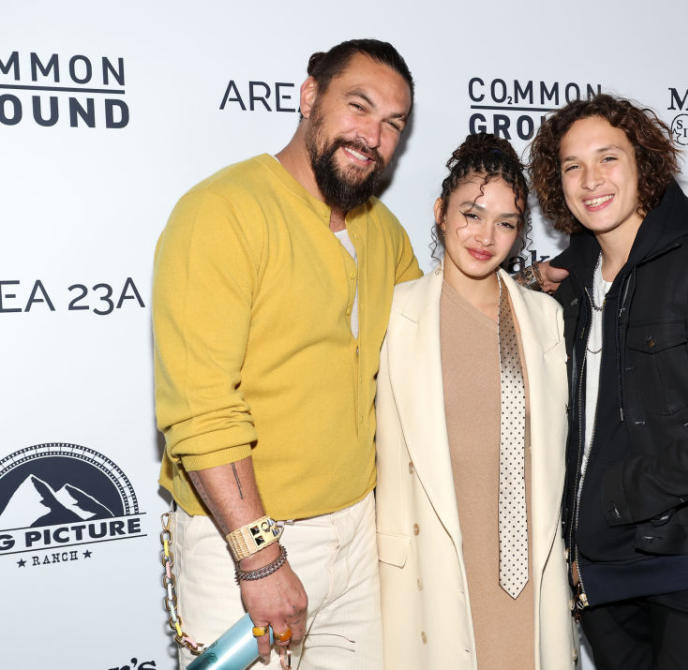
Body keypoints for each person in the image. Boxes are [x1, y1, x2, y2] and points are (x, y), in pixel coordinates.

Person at [152, 39, 420, 669]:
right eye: (359, 107)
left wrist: (524, 293)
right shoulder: (221, 212)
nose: (374, 135)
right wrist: (260, 556)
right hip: (245, 546)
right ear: (309, 98)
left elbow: (433, 324)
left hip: (359, 538)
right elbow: (201, 408)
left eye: (393, 124)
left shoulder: (382, 229)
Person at [528, 94, 688, 670]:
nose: (590, 180)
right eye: (572, 166)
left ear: (644, 164)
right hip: (598, 570)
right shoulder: (565, 289)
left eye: (608, 159)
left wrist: (627, 493)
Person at [374, 133, 576, 669]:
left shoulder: (544, 319)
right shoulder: (394, 315)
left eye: (506, 223)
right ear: (441, 212)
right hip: (430, 569)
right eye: (471, 213)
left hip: (530, 566)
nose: (486, 236)